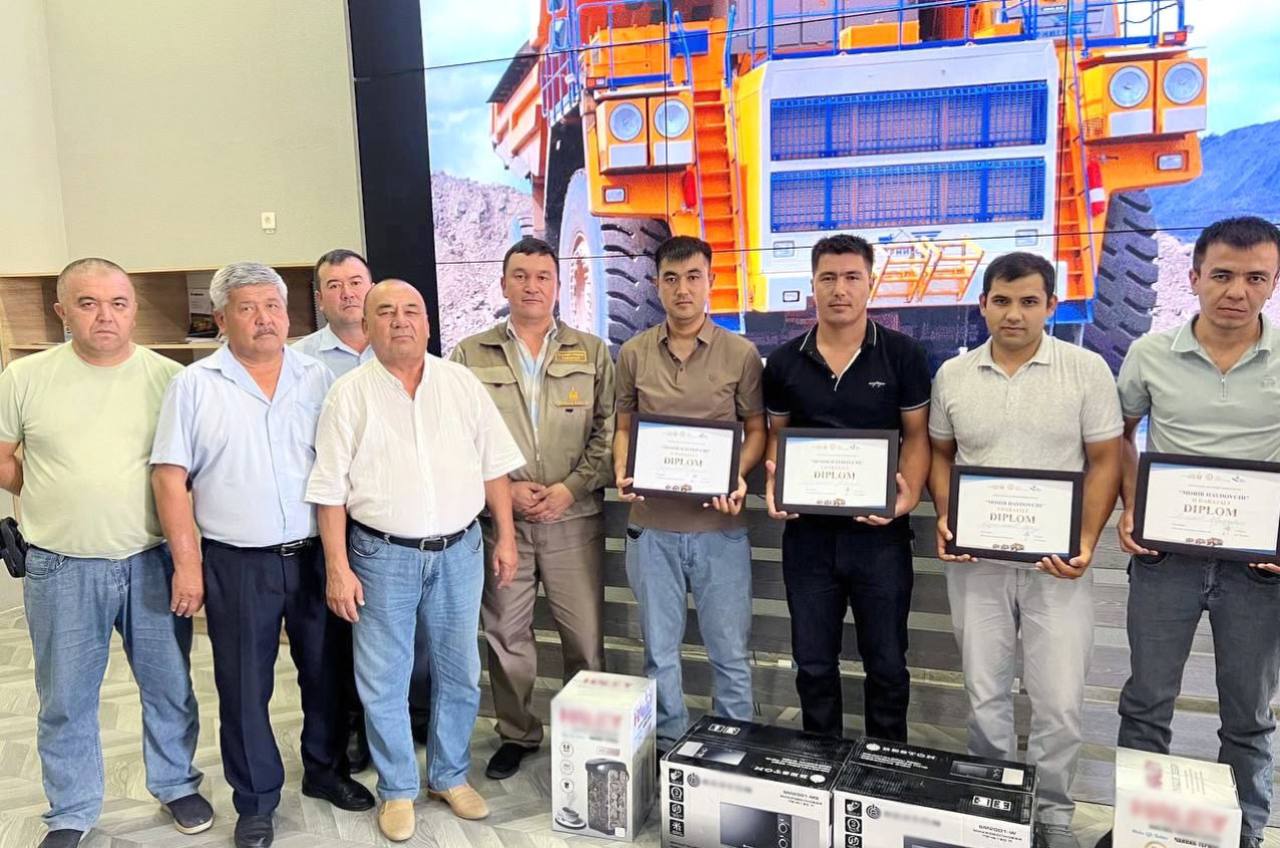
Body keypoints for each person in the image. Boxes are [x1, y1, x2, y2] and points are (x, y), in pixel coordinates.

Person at [151, 262, 374, 848]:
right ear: (222, 319)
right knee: (245, 687)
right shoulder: (194, 386)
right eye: (248, 308)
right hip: (237, 562)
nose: (264, 318)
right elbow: (170, 478)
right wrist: (188, 565)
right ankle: (255, 801)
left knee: (326, 673)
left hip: (315, 555)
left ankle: (325, 771)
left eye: (273, 306)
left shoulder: (316, 377)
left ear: (289, 313)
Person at [0, 259, 211, 848]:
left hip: (151, 560)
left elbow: (189, 474)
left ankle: (176, 783)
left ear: (134, 309)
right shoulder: (24, 377)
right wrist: (50, 492)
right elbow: (3, 456)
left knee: (169, 686)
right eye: (87, 303)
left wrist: (189, 559)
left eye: (118, 302)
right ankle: (71, 811)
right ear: (62, 311)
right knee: (65, 699)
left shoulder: (170, 378)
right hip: (60, 567)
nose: (105, 316)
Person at [306, 280, 525, 842]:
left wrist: (505, 537)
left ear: (428, 323)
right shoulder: (348, 395)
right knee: (384, 677)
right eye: (386, 312)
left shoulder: (460, 384)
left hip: (460, 551)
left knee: (459, 672)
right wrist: (338, 567)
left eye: (411, 311)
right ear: (367, 325)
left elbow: (494, 466)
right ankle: (398, 788)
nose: (400, 320)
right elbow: (329, 491)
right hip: (381, 556)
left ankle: (449, 776)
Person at [927, 252, 1122, 848]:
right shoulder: (953, 376)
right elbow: (941, 454)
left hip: (1057, 566)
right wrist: (948, 517)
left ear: (1051, 306)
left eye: (1029, 302)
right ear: (983, 304)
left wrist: (1085, 541)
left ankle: (1053, 817)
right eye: (1003, 301)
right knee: (984, 694)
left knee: (1058, 702)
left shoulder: (1086, 370)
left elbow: (1106, 461)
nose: (1014, 314)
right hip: (978, 563)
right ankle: (995, 809)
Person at [1099, 217, 1280, 848]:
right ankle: (1140, 830)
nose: (1237, 291)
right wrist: (1133, 505)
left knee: (1248, 716)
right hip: (1165, 559)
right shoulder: (1150, 354)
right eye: (1223, 275)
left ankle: (1244, 835)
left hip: (1258, 568)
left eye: (1256, 278)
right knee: (1146, 704)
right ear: (1195, 276)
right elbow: (1121, 435)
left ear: (1273, 283)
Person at [451, 237, 615, 780]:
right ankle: (517, 733)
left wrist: (571, 488)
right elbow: (458, 440)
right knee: (506, 635)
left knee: (584, 639)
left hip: (574, 519)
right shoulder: (469, 355)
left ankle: (588, 736)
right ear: (503, 284)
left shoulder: (592, 352)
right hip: (505, 525)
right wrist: (501, 492)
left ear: (559, 285)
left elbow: (609, 432)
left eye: (543, 276)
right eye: (520, 275)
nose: (531, 286)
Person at [761, 234, 931, 740]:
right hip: (808, 538)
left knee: (887, 666)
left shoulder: (902, 355)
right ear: (812, 285)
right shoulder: (784, 362)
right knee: (813, 665)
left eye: (852, 277)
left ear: (870, 283)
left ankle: (886, 766)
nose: (840, 289)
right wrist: (775, 485)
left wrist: (908, 496)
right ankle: (822, 763)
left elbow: (917, 437)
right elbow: (777, 439)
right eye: (828, 278)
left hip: (880, 537)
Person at [613, 235, 766, 752]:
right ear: (657, 285)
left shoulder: (741, 354)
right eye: (671, 279)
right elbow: (624, 428)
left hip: (719, 530)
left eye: (693, 277)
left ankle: (734, 748)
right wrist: (622, 467)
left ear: (711, 282)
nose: (682, 289)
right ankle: (668, 749)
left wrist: (736, 475)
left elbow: (757, 430)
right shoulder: (633, 353)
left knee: (730, 654)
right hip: (651, 529)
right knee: (659, 654)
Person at [293, 248, 430, 771]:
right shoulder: (300, 362)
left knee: (408, 628)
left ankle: (412, 718)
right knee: (343, 628)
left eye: (355, 282)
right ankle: (353, 725)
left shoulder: (404, 347)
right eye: (334, 285)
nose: (347, 293)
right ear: (320, 298)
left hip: (395, 516)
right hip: (331, 515)